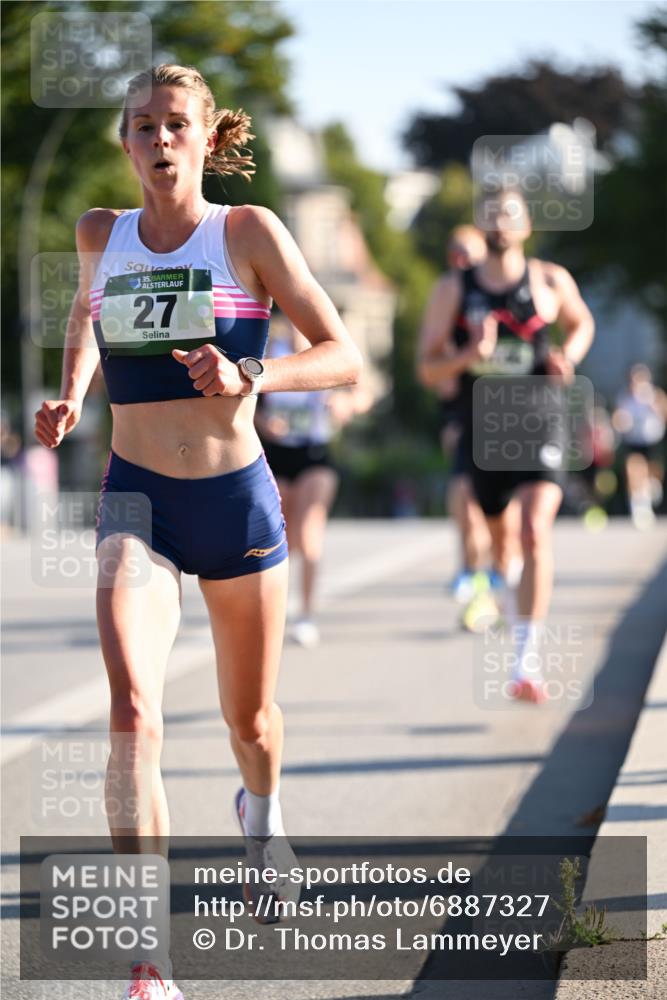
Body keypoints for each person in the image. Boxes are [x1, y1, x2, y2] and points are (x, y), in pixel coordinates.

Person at [34, 63, 362, 999]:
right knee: (133, 714)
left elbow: (339, 352)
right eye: (141, 126)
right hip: (135, 500)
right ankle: (149, 960)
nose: (158, 140)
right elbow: (88, 318)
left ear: (206, 135)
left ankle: (260, 818)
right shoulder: (102, 234)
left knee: (248, 721)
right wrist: (72, 394)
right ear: (127, 142)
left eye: (175, 123)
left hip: (237, 502)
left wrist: (250, 375)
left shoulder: (247, 233)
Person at [418, 187, 594, 701]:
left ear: (526, 225)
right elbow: (428, 366)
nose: (499, 220)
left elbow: (582, 322)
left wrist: (569, 356)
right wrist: (469, 353)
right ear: (481, 223)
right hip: (484, 429)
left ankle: (526, 661)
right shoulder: (454, 289)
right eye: (491, 212)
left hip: (542, 421)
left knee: (535, 529)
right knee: (503, 542)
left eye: (509, 213)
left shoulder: (548, 280)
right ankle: (509, 580)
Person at [418, 225, 521, 626]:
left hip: (514, 419)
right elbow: (432, 362)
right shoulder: (449, 295)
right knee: (464, 498)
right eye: (455, 253)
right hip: (466, 416)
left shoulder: (506, 293)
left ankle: (502, 580)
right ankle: (476, 579)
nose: (461, 260)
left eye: (469, 253)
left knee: (505, 520)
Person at [256, 317, 368, 647]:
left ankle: (306, 614)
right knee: (279, 537)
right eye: (291, 324)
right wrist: (265, 423)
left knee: (309, 529)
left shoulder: (328, 357)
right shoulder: (269, 353)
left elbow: (362, 394)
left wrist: (345, 404)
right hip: (276, 453)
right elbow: (248, 402)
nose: (296, 332)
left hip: (316, 454)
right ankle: (273, 608)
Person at [613, 363, 667, 529]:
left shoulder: (654, 394)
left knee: (652, 474)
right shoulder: (625, 397)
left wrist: (655, 407)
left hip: (652, 439)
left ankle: (650, 491)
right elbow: (618, 417)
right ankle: (639, 507)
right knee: (634, 470)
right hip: (633, 440)